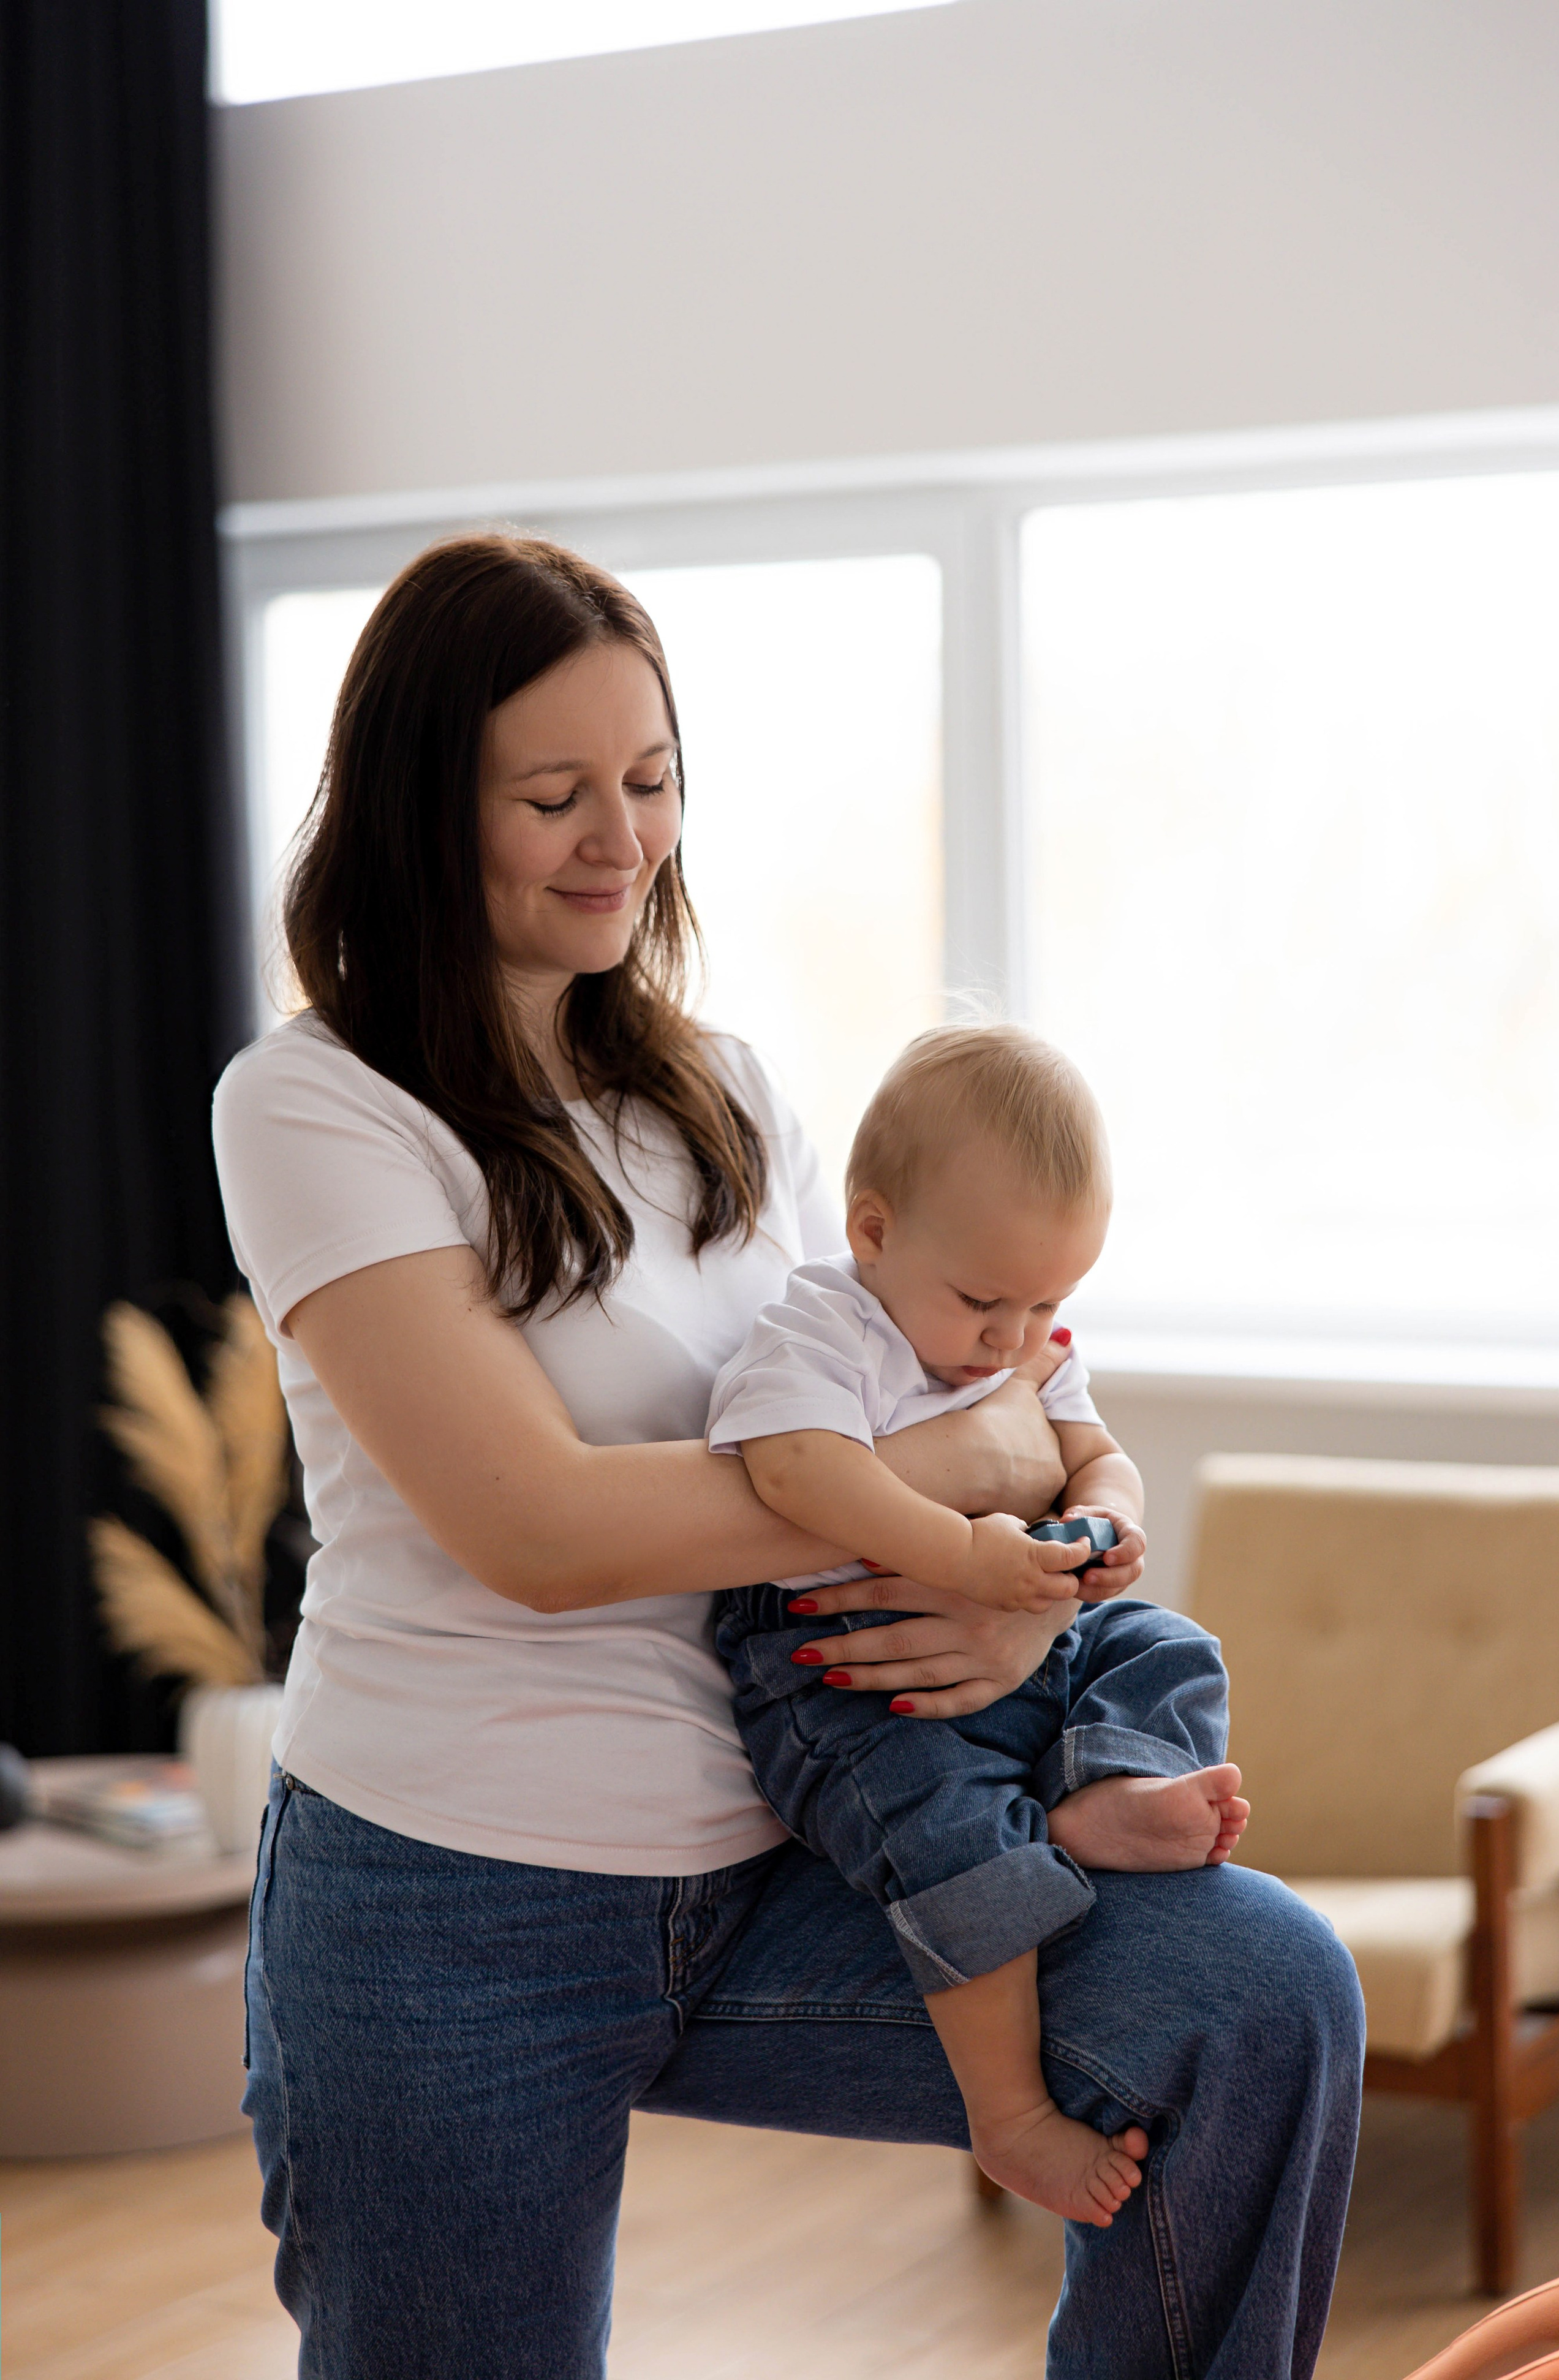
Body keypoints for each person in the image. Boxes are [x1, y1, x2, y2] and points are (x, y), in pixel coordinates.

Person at [213, 531, 1363, 2380]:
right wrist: (916, 1500)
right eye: (554, 792)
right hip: (449, 1895)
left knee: (1255, 1991)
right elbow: (539, 1526)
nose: (623, 835)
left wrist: (993, 1600)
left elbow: (940, 1402)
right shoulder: (314, 1101)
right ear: (428, 805)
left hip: (789, 1838)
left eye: (652, 781)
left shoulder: (726, 1085)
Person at [708, 1022, 1249, 2222]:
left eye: (1051, 1299)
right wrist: (964, 1551)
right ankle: (1007, 2115)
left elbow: (1093, 1451)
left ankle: (1096, 1793)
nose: (1014, 1339)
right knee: (950, 1828)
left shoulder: (1023, 1341)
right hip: (840, 1668)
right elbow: (795, 1472)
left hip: (1017, 1620)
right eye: (984, 1300)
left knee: (1166, 1645)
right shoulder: (822, 1326)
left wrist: (1101, 1522)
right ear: (873, 1229)